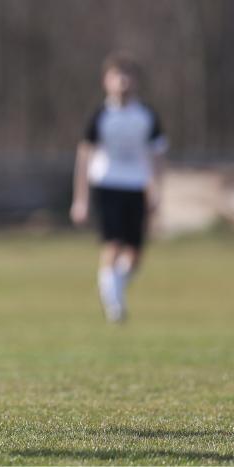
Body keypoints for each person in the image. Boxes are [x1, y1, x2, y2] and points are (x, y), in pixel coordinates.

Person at [70, 52, 167, 323]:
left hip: (136, 186)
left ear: (135, 81)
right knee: (112, 245)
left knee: (135, 254)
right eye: (117, 77)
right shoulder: (100, 116)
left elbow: (157, 156)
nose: (122, 82)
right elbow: (84, 157)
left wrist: (157, 190)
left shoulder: (147, 116)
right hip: (106, 184)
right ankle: (114, 305)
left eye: (127, 76)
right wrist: (81, 198)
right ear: (106, 81)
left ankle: (112, 286)